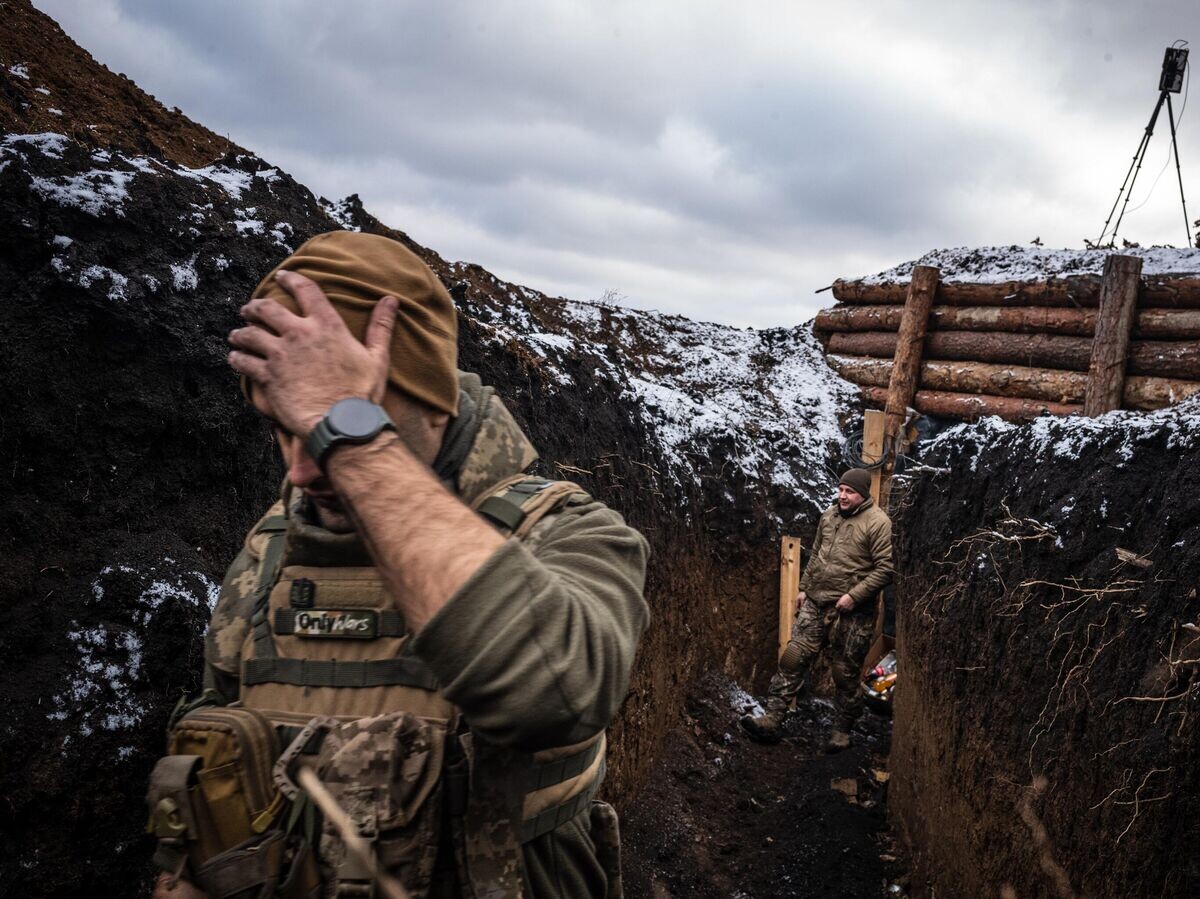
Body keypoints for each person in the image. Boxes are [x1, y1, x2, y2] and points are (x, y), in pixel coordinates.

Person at [151, 231, 649, 899]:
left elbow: (557, 691)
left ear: (436, 400)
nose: (303, 469)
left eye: (343, 420)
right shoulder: (267, 557)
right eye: (285, 426)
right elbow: (211, 785)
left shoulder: (570, 532)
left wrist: (351, 438)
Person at [740, 468, 892, 752]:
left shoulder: (878, 523)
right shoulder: (829, 516)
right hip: (816, 601)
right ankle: (772, 719)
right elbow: (817, 556)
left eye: (850, 492)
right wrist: (804, 588)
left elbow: (886, 568)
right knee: (792, 658)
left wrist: (854, 596)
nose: (842, 496)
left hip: (851, 612)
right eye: (841, 490)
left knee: (844, 673)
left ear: (863, 494)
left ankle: (842, 731)